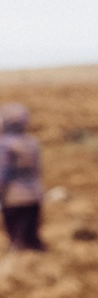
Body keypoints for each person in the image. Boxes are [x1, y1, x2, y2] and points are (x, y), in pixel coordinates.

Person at [0, 104, 42, 254]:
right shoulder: (32, 142)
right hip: (34, 196)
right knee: (32, 238)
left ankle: (20, 270)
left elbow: (3, 174)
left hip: (14, 199)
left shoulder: (6, 145)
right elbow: (38, 171)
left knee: (17, 240)